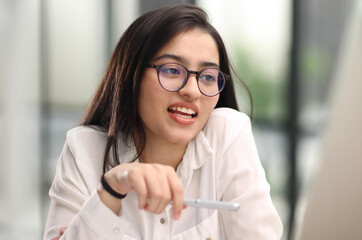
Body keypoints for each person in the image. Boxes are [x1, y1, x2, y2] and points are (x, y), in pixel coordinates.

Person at [43, 4, 283, 240]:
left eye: (208, 76)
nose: (192, 91)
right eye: (172, 70)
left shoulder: (228, 134)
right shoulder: (83, 148)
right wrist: (112, 189)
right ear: (132, 76)